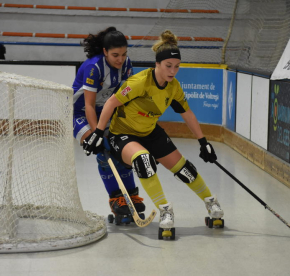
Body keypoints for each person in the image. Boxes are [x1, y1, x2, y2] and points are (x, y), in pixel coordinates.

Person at [82, 30, 224, 235]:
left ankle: (211, 202)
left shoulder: (173, 87)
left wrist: (203, 142)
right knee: (144, 161)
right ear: (157, 64)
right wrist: (97, 132)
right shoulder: (140, 82)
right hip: (123, 133)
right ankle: (166, 211)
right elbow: (111, 103)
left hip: (149, 131)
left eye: (176, 67)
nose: (173, 71)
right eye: (168, 66)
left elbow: (188, 113)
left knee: (184, 168)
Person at [72, 27, 145, 219]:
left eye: (123, 54)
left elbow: (126, 98)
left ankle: (131, 196)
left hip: (105, 111)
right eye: (115, 55)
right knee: (103, 151)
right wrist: (96, 133)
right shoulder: (93, 67)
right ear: (105, 52)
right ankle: (116, 199)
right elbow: (88, 105)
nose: (120, 59)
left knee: (121, 149)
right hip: (78, 113)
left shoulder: (127, 64)